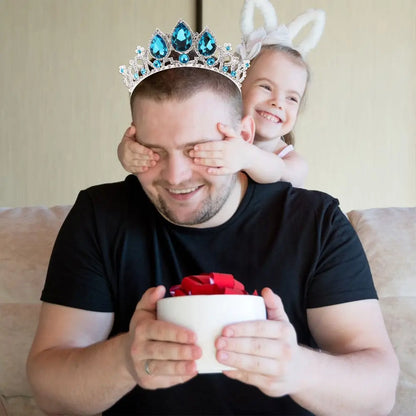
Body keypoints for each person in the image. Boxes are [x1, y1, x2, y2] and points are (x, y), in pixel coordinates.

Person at [27, 19, 398, 416]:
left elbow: (378, 395)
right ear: (132, 141)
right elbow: (50, 391)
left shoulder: (316, 222)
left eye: (197, 150)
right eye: (154, 151)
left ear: (243, 135)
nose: (175, 177)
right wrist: (124, 361)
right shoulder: (101, 217)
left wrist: (298, 369)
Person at [116, 1, 325, 188]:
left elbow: (281, 173)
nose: (278, 103)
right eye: (266, 88)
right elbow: (172, 145)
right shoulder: (214, 131)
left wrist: (247, 157)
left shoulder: (291, 162)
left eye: (292, 98)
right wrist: (128, 153)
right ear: (236, 88)